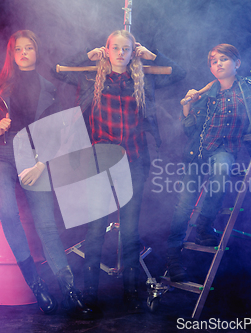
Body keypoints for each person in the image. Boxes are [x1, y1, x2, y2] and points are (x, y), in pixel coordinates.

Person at [53, 30, 186, 314]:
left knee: (130, 229)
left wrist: (152, 56)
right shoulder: (90, 76)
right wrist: (86, 55)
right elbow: (59, 70)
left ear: (132, 51)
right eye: (116, 48)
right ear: (107, 49)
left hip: (134, 160)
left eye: (127, 49)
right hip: (100, 161)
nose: (121, 53)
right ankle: (90, 293)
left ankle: (131, 293)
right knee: (96, 228)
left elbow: (179, 73)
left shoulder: (142, 78)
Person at [0, 30, 93, 319]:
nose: (24, 53)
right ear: (12, 54)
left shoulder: (49, 88)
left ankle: (69, 289)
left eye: (29, 48)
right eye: (19, 49)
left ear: (36, 52)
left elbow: (57, 133)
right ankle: (36, 285)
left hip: (34, 157)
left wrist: (42, 164)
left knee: (47, 225)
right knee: (8, 213)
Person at [165, 43, 251, 282]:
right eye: (214, 61)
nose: (218, 64)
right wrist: (187, 107)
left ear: (237, 63)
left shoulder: (248, 87)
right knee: (184, 204)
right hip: (197, 153)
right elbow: (189, 130)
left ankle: (204, 224)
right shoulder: (205, 95)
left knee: (222, 171)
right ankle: (173, 257)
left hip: (224, 149)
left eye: (223, 59)